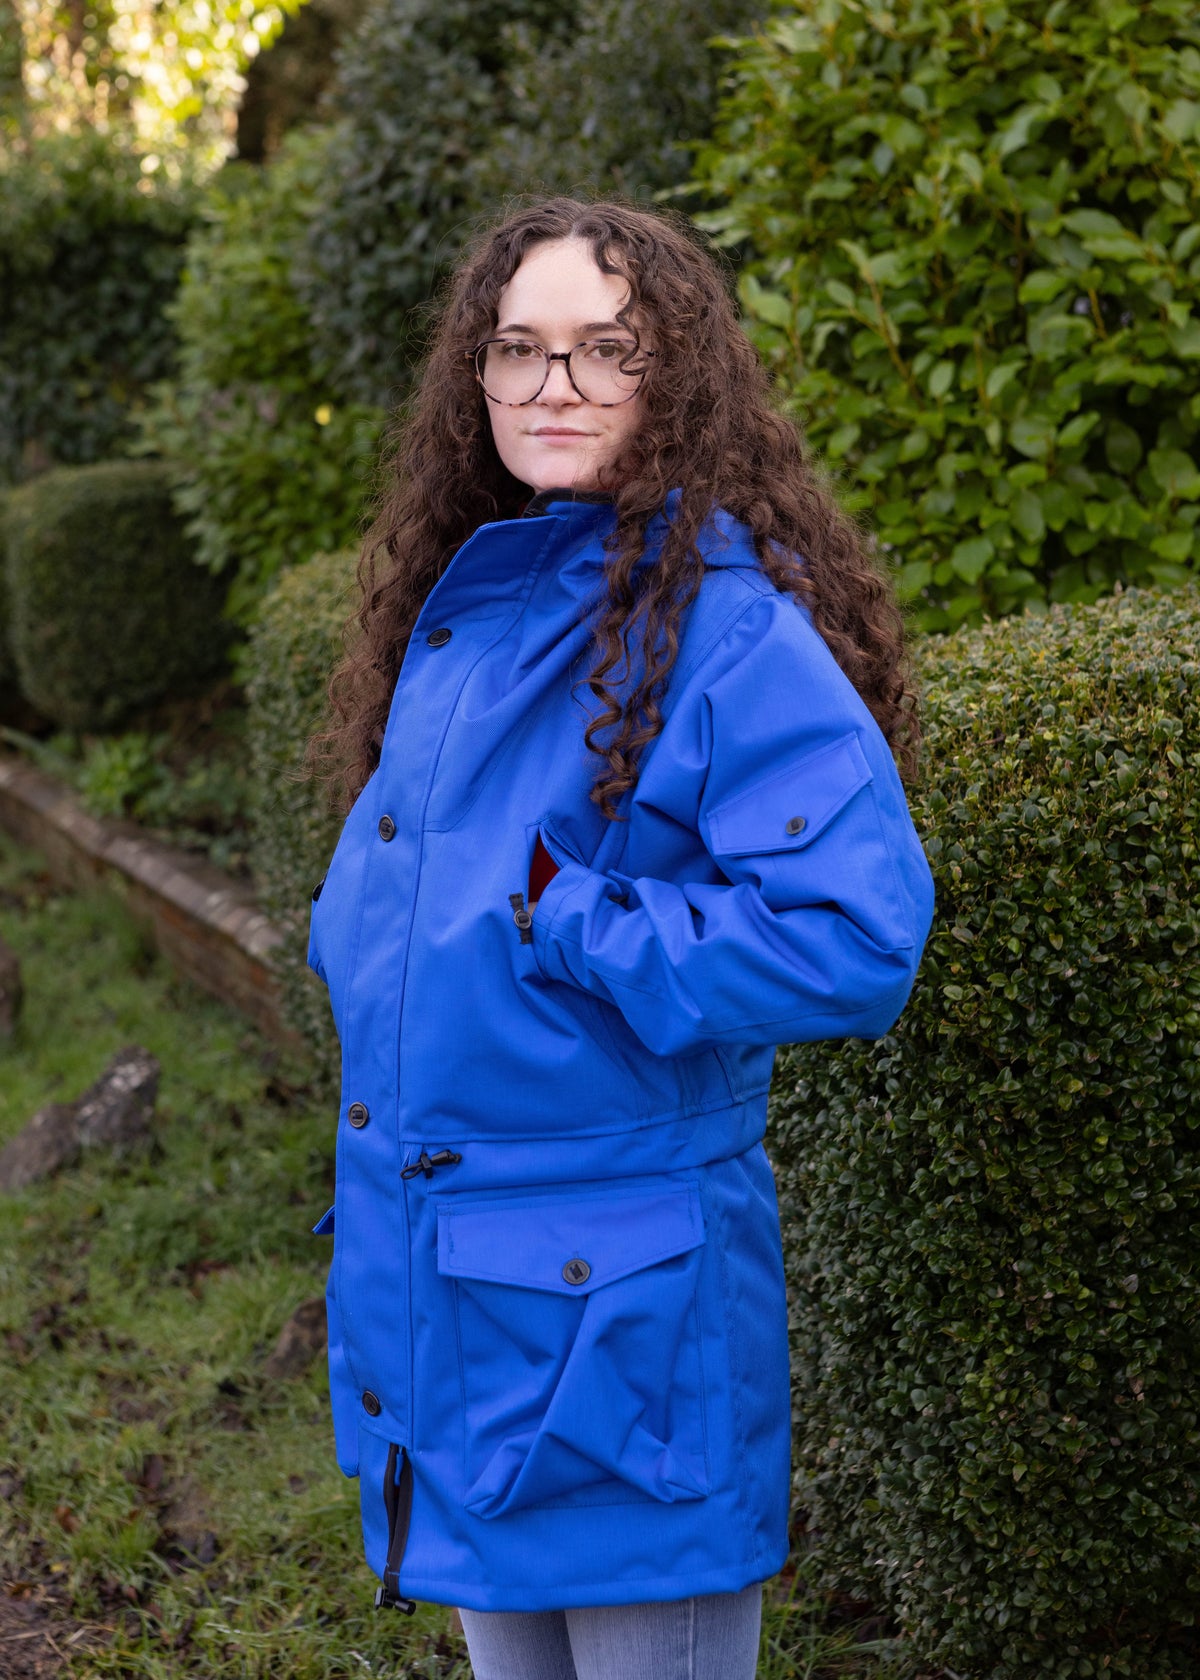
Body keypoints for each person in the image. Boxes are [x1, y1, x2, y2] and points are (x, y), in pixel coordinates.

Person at [306, 197, 935, 1680]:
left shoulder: (724, 630)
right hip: (458, 1301)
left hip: (622, 1335)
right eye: (517, 352)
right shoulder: (476, 618)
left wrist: (574, 918)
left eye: (606, 349)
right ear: (477, 382)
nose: (554, 388)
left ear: (677, 378)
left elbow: (854, 936)